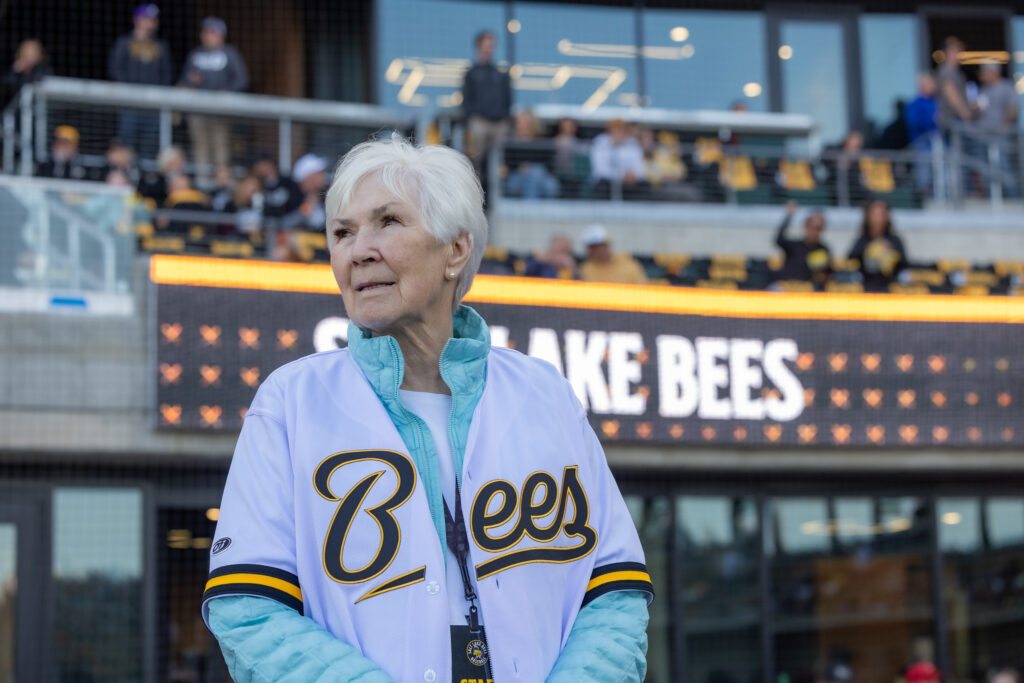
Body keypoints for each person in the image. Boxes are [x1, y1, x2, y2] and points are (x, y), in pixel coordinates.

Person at [202, 136, 653, 682]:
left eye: (387, 222)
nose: (358, 250)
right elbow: (248, 610)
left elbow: (613, 590)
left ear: (456, 250)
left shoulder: (545, 393)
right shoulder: (290, 401)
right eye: (342, 233)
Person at [180, 17, 249, 175]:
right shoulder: (195, 54)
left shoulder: (229, 53)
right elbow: (183, 80)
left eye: (212, 32)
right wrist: (191, 81)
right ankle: (203, 179)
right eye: (206, 32)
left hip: (220, 111)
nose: (208, 36)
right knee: (200, 146)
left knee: (220, 145)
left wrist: (228, 91)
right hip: (198, 110)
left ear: (221, 35)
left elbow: (241, 80)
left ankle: (220, 181)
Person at [108, 4, 172, 158]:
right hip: (129, 104)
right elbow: (115, 69)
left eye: (154, 19)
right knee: (126, 144)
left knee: (149, 148)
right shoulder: (124, 42)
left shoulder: (161, 46)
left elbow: (167, 74)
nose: (151, 22)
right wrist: (130, 91)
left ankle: (145, 180)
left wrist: (157, 94)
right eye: (147, 18)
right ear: (137, 20)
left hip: (153, 106)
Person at [461, 30, 512, 171]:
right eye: (487, 45)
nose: (490, 48)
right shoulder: (471, 73)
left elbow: (508, 100)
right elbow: (466, 100)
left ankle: (497, 185)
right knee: (475, 160)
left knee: (499, 161)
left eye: (492, 45)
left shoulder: (499, 74)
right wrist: (471, 116)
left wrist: (504, 117)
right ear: (479, 46)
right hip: (479, 122)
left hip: (500, 123)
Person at [976, 62, 1019, 197]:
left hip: (1000, 135)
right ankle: (991, 197)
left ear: (994, 72)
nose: (983, 75)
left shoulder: (1006, 87)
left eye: (985, 72)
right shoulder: (983, 89)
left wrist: (1004, 125)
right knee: (986, 168)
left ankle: (1013, 197)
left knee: (1003, 165)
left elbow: (1013, 108)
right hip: (983, 135)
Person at [847, 199, 907, 292]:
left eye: (881, 215)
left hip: (890, 290)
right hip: (866, 289)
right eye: (875, 215)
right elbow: (850, 260)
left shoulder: (895, 241)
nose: (878, 219)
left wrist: (892, 253)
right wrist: (870, 249)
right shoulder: (862, 241)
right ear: (868, 217)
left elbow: (904, 264)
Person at [774, 201, 832, 288]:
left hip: (807, 292)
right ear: (805, 225)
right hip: (787, 289)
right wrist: (789, 216)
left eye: (818, 228)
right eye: (811, 226)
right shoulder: (794, 245)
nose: (814, 231)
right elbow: (779, 240)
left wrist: (821, 276)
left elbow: (826, 276)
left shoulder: (823, 250)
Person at [505, 109, 560, 199]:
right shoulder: (512, 143)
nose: (520, 125)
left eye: (523, 122)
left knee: (547, 182)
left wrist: (531, 167)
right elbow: (506, 165)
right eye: (518, 122)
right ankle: (533, 209)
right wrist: (519, 167)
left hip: (541, 176)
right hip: (517, 177)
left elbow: (550, 164)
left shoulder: (542, 141)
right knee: (535, 174)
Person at [590, 119, 649, 199]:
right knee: (602, 185)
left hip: (628, 183)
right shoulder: (600, 143)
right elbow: (600, 170)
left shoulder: (633, 144)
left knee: (644, 185)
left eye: (621, 130)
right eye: (616, 130)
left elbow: (640, 169)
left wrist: (634, 175)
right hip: (608, 182)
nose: (619, 133)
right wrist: (622, 175)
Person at [579, 223, 648, 285]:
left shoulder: (628, 264)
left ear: (608, 244)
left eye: (601, 245)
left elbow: (643, 289)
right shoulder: (586, 270)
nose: (598, 250)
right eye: (593, 247)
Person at [905, 73, 939, 191]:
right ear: (923, 85)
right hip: (922, 143)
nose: (934, 86)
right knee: (923, 172)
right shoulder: (915, 104)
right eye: (931, 83)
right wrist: (933, 120)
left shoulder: (936, 102)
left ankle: (942, 193)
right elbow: (914, 123)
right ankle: (924, 194)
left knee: (942, 168)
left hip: (936, 142)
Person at [249, 153, 303, 221]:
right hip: (267, 223)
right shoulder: (259, 185)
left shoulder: (288, 182)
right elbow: (258, 208)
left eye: (261, 165)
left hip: (290, 221)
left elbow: (297, 203)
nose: (260, 169)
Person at [282, 153, 329, 231]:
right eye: (319, 173)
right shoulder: (292, 197)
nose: (323, 176)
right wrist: (306, 209)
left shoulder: (327, 195)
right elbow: (283, 225)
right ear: (307, 178)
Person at [3, 39, 52, 106]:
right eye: (26, 53)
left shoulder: (45, 71)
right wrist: (15, 71)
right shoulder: (14, 72)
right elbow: (6, 90)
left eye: (32, 53)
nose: (29, 56)